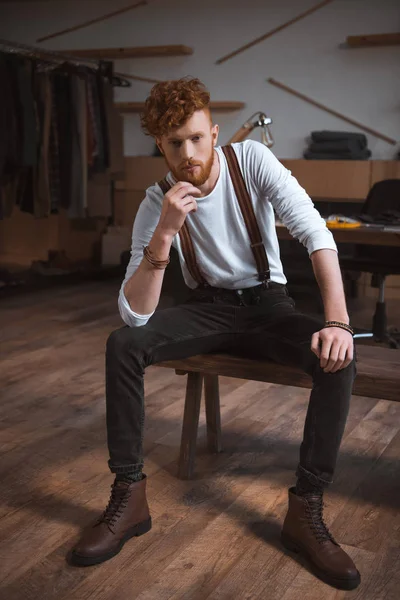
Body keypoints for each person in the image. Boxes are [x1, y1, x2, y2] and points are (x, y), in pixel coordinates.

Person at [70, 78, 360, 590]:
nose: (189, 154)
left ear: (214, 133)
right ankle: (129, 496)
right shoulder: (154, 204)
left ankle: (306, 510)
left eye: (197, 138)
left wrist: (337, 321)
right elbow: (135, 316)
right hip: (206, 310)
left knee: (337, 358)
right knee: (123, 345)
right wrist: (163, 233)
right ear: (160, 145)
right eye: (175, 143)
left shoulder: (251, 162)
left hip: (268, 306)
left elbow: (315, 233)